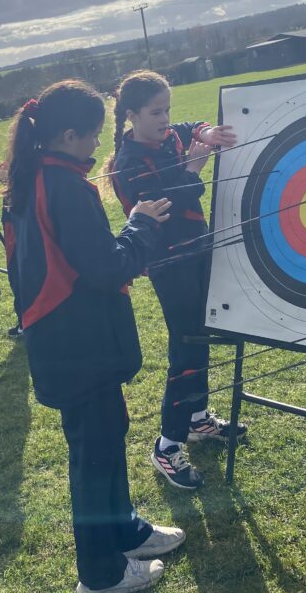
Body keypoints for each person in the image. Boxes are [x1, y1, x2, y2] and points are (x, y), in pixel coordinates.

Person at [5, 80, 184, 593]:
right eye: (93, 136)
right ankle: (101, 575)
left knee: (105, 441)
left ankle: (124, 531)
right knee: (93, 458)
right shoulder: (62, 185)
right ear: (67, 135)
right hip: (78, 346)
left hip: (72, 345)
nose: (98, 146)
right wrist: (140, 225)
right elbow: (105, 267)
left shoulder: (36, 174)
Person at [106, 69, 247, 490]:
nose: (165, 118)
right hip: (171, 265)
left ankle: (199, 420)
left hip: (198, 250)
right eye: (155, 112)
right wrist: (193, 167)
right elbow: (167, 205)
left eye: (167, 108)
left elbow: (190, 128)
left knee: (203, 335)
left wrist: (207, 131)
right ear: (132, 115)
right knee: (185, 349)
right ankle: (167, 445)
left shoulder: (168, 136)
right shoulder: (129, 162)